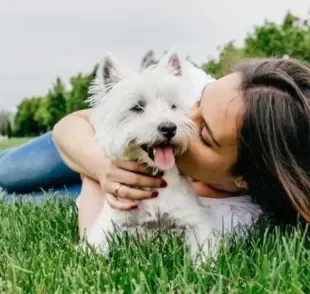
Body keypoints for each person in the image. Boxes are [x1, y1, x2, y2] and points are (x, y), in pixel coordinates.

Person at [1, 58, 309, 237]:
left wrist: (99, 186)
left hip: (125, 185)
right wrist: (99, 167)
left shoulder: (233, 219)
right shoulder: (178, 84)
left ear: (243, 178)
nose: (183, 118)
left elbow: (93, 235)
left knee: (19, 199)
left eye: (204, 134)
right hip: (87, 143)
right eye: (198, 101)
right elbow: (75, 123)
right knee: (9, 173)